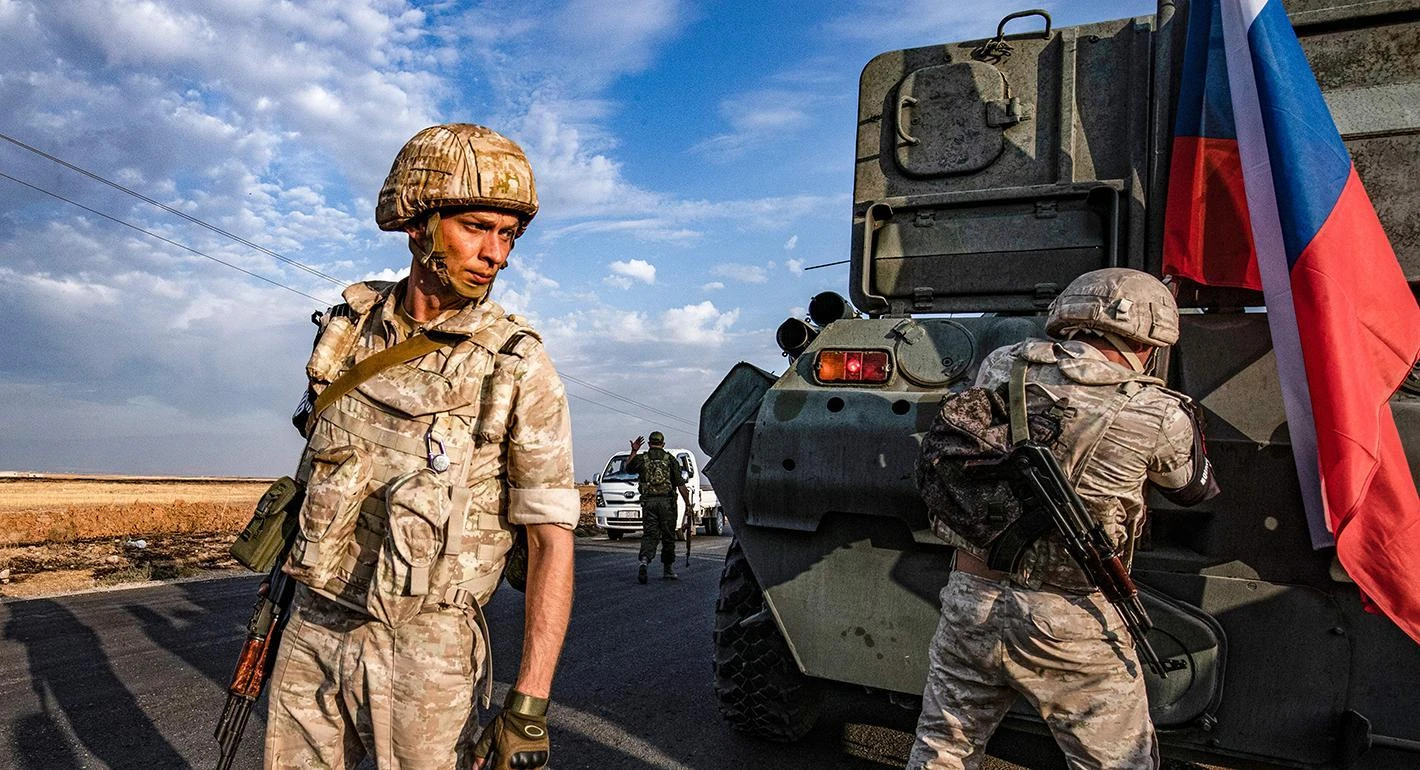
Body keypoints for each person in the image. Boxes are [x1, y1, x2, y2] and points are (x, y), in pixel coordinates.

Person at [264, 123, 578, 770]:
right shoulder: (349, 330)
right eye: (478, 228)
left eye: (509, 235)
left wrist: (528, 706)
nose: (497, 253)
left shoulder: (517, 365)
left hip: (427, 650)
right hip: (314, 624)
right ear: (418, 224)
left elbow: (551, 541)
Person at [908, 268, 1219, 770]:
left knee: (943, 749)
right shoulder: (1158, 411)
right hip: (1072, 618)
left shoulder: (1002, 366)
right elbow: (1192, 488)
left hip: (970, 597)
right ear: (1151, 340)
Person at [624, 431, 692, 583]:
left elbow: (628, 468)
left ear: (649, 444)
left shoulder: (642, 459)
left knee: (650, 534)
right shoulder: (670, 460)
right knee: (668, 536)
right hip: (667, 504)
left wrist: (634, 451)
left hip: (649, 503)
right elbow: (681, 485)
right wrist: (688, 505)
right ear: (663, 444)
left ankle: (644, 561)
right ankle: (668, 569)